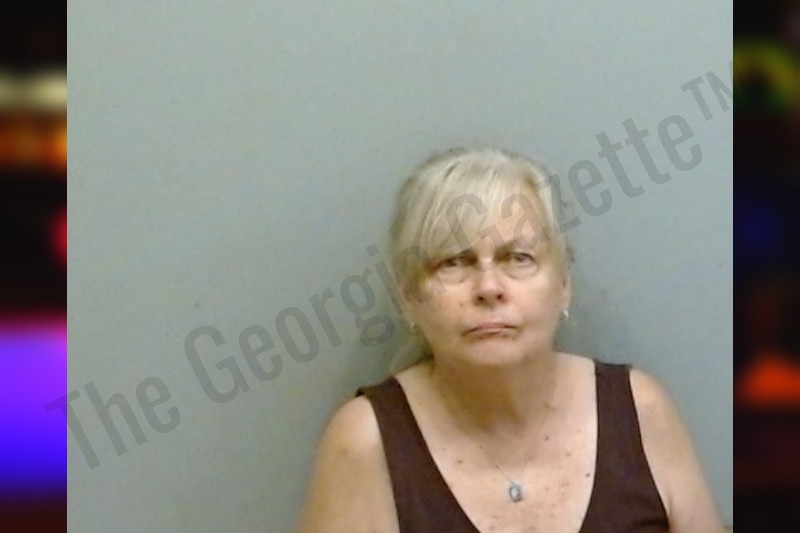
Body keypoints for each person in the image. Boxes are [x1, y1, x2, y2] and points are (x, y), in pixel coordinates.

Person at [296, 148, 723, 532]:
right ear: (408, 297)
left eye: (518, 258)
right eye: (453, 262)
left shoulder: (641, 411)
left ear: (563, 284)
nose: (488, 287)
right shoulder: (366, 442)